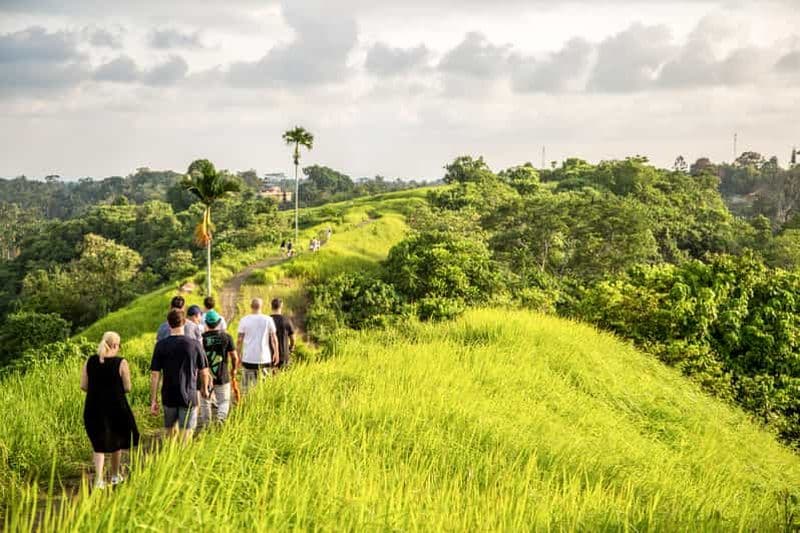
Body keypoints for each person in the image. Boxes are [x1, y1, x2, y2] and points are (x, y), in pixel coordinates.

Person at [81, 332, 139, 489]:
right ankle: (114, 476)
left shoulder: (90, 361)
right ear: (115, 345)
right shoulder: (121, 363)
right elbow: (127, 387)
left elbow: (83, 386)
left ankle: (99, 480)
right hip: (116, 406)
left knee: (98, 444)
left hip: (93, 406)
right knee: (116, 441)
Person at [150, 309, 210, 442]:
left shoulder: (160, 346)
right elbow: (204, 371)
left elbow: (155, 375)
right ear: (184, 322)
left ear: (168, 323)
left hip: (168, 395)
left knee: (170, 436)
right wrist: (204, 389)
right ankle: (182, 460)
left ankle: (170, 457)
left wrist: (153, 400)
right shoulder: (194, 345)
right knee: (186, 437)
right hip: (189, 395)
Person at [198, 310, 239, 428]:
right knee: (224, 401)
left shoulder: (201, 339)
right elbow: (234, 357)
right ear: (219, 322)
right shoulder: (226, 337)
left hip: (205, 376)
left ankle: (207, 425)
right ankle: (221, 420)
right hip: (223, 375)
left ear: (206, 323)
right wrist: (234, 369)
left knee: (205, 401)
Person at [237, 298, 279, 394]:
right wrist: (276, 353)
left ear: (251, 306)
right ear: (261, 306)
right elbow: (273, 338)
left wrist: (238, 355)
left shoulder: (244, 320)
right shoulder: (268, 319)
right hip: (264, 359)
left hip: (248, 359)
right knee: (263, 388)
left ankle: (246, 406)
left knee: (246, 388)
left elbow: (239, 340)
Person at [270, 298, 296, 370]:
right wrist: (291, 347)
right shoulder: (286, 320)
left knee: (269, 379)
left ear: (271, 306)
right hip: (284, 355)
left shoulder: (267, 320)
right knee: (283, 378)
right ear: (281, 306)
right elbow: (293, 338)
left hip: (269, 355)